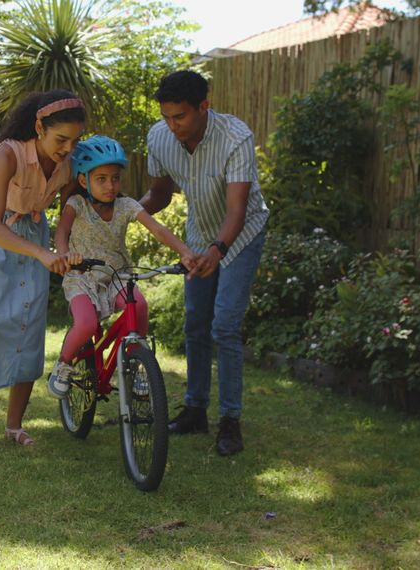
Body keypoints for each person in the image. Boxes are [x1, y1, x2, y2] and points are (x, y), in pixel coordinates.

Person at [140, 70, 269, 456]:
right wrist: (124, 214)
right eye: (165, 116)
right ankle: (195, 409)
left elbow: (237, 209)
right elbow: (160, 194)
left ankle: (230, 420)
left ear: (203, 107)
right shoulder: (160, 137)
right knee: (195, 324)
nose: (171, 125)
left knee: (224, 325)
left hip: (241, 235)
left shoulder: (235, 138)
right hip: (198, 238)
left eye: (179, 116)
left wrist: (219, 250)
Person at [0, 90, 86, 453]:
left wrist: (62, 253)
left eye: (74, 140)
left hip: (35, 233)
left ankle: (15, 425)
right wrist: (43, 255)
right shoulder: (8, 153)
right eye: (60, 139)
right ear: (38, 127)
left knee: (28, 323)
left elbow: (67, 215)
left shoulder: (69, 162)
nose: (67, 148)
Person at [46, 136, 197, 398]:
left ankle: (133, 363)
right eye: (101, 179)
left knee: (139, 305)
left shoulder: (126, 205)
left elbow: (157, 229)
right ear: (84, 181)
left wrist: (184, 252)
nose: (110, 185)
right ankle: (63, 365)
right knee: (85, 324)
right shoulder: (77, 204)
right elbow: (62, 231)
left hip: (117, 274)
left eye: (115, 178)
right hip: (81, 275)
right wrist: (65, 254)